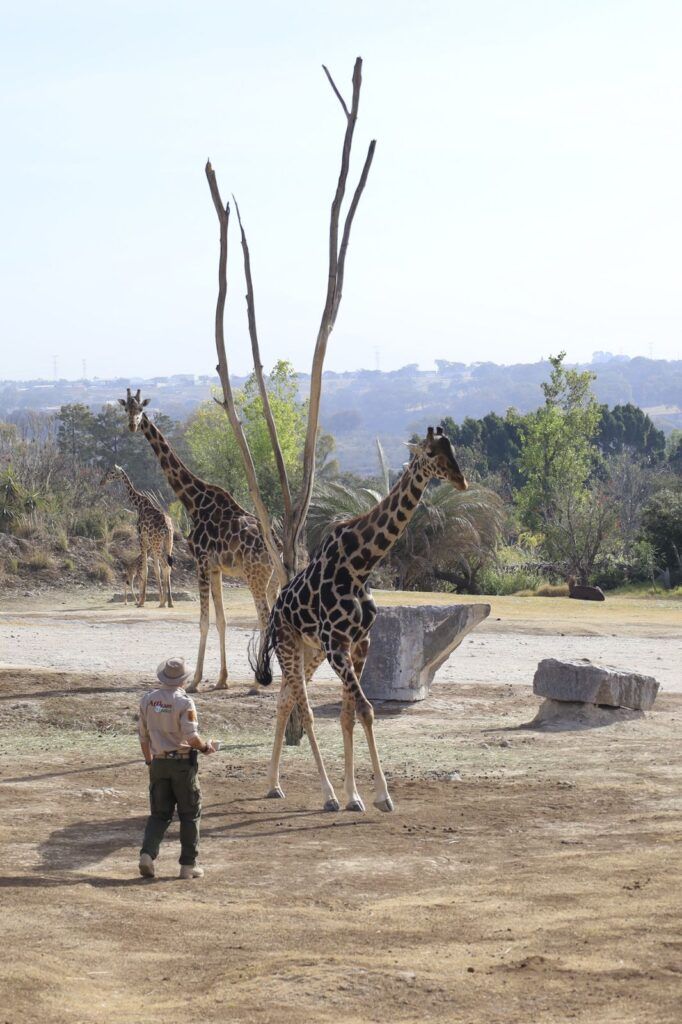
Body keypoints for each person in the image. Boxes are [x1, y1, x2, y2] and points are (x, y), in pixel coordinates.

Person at [137, 657, 216, 880]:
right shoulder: (184, 703)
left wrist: (150, 761)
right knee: (190, 814)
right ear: (184, 679)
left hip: (158, 763)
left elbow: (143, 736)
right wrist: (205, 747)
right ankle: (188, 866)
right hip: (182, 764)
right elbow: (191, 737)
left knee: (159, 815)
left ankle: (147, 855)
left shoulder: (148, 700)